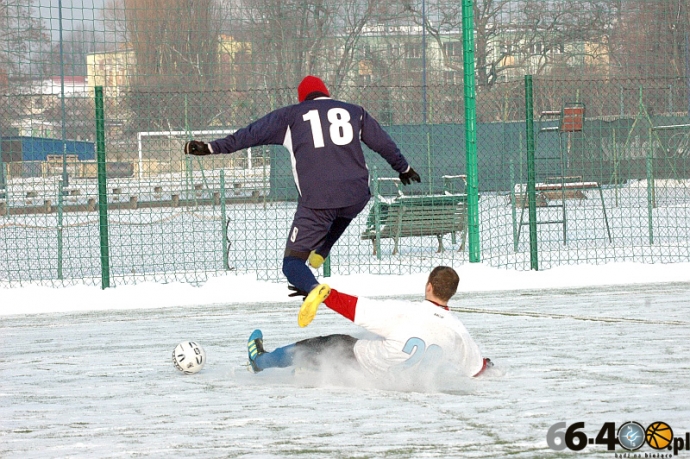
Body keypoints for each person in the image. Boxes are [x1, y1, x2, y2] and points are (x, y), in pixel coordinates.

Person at [184, 75, 421, 326]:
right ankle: (322, 251)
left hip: (317, 202)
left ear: (302, 98)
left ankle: (312, 286)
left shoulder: (291, 116)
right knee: (346, 209)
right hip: (357, 194)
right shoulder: (355, 112)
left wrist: (211, 148)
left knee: (292, 264)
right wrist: (403, 168)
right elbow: (382, 143)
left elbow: (249, 135)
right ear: (326, 93)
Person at [246, 266, 493, 379]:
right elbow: (477, 368)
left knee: (323, 344)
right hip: (391, 379)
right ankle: (310, 370)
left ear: (428, 286)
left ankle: (260, 361)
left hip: (361, 362)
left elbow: (353, 308)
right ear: (451, 293)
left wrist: (318, 293)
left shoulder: (405, 312)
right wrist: (487, 365)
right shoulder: (458, 331)